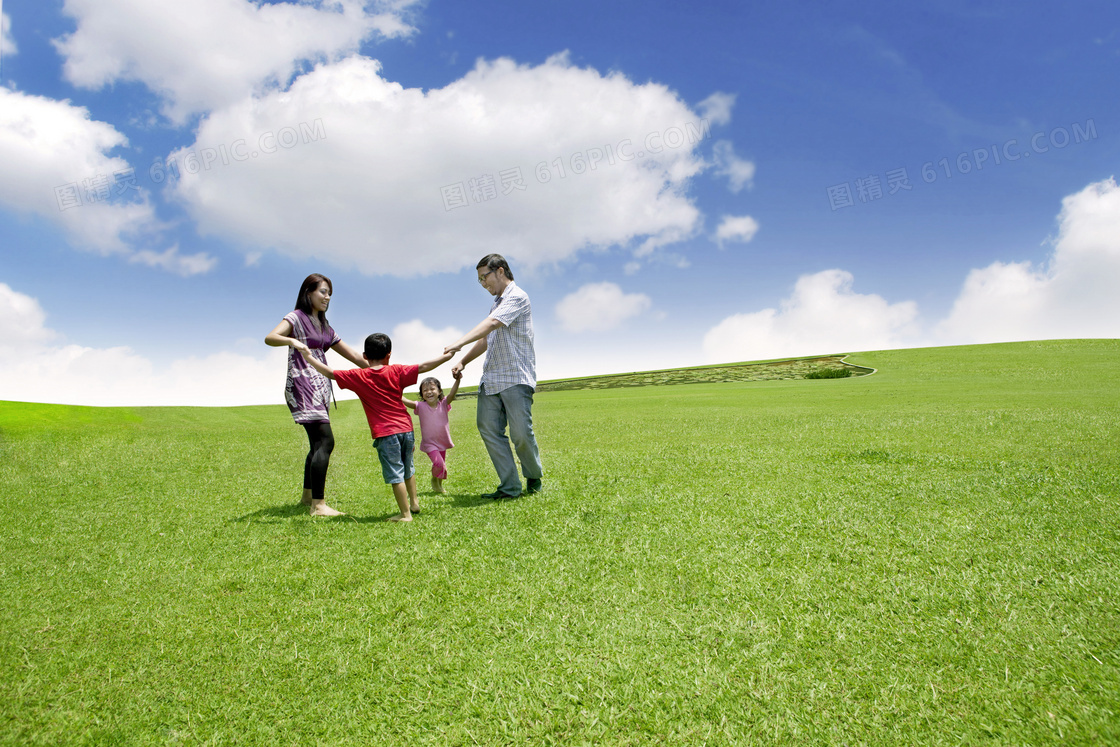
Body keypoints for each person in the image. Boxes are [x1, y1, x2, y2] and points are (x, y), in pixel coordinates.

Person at [301, 333, 452, 522]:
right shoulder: (396, 371)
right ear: (389, 355)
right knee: (408, 468)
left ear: (364, 356)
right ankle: (414, 503)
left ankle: (405, 514)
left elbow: (331, 373)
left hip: (386, 433)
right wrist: (447, 357)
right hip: (406, 429)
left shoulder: (359, 376)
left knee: (395, 473)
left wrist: (308, 357)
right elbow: (423, 367)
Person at [265, 273, 367, 516]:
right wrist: (294, 342)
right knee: (325, 441)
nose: (327, 297)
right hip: (303, 387)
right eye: (323, 291)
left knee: (316, 444)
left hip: (320, 388)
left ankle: (307, 497)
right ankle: (318, 506)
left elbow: (352, 356)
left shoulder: (325, 327)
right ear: (308, 293)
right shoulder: (296, 318)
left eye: (329, 293)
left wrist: (379, 369)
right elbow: (270, 337)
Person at [446, 254, 543, 500]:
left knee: (521, 434)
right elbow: (486, 339)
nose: (483, 284)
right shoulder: (497, 303)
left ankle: (533, 475)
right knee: (488, 429)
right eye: (479, 281)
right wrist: (462, 360)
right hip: (491, 379)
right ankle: (509, 486)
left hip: (515, 377)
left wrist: (458, 343)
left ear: (500, 271)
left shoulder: (517, 297)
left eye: (484, 278)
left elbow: (490, 324)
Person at [402, 371, 461, 494]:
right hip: (429, 443)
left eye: (432, 389)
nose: (429, 392)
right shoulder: (420, 406)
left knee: (442, 466)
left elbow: (452, 394)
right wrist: (396, 391)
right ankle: (434, 480)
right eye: (425, 390)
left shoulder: (444, 403)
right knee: (439, 463)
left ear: (439, 391)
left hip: (442, 441)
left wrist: (457, 380)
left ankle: (439, 484)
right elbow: (406, 402)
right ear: (422, 394)